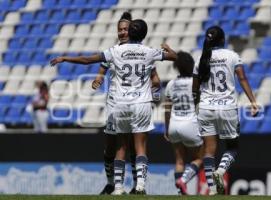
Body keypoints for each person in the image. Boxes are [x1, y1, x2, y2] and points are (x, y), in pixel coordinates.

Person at [50, 19, 177, 195]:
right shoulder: (149, 52)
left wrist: (65, 58)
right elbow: (174, 57)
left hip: (120, 104)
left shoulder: (115, 51)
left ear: (129, 33)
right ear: (144, 35)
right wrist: (167, 48)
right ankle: (140, 185)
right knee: (140, 146)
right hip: (141, 104)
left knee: (121, 146)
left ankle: (117, 187)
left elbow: (88, 60)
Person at [192, 26, 259, 195]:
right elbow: (242, 78)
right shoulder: (232, 56)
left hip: (206, 107)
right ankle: (220, 171)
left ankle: (212, 190)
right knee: (232, 147)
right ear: (223, 40)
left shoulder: (201, 59)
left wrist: (196, 107)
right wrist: (253, 102)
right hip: (227, 107)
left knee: (208, 151)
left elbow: (195, 89)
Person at [164, 51, 204, 195]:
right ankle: (184, 181)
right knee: (200, 158)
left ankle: (181, 191)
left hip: (174, 125)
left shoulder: (171, 84)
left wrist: (167, 128)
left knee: (180, 160)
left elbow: (167, 109)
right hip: (190, 124)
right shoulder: (196, 83)